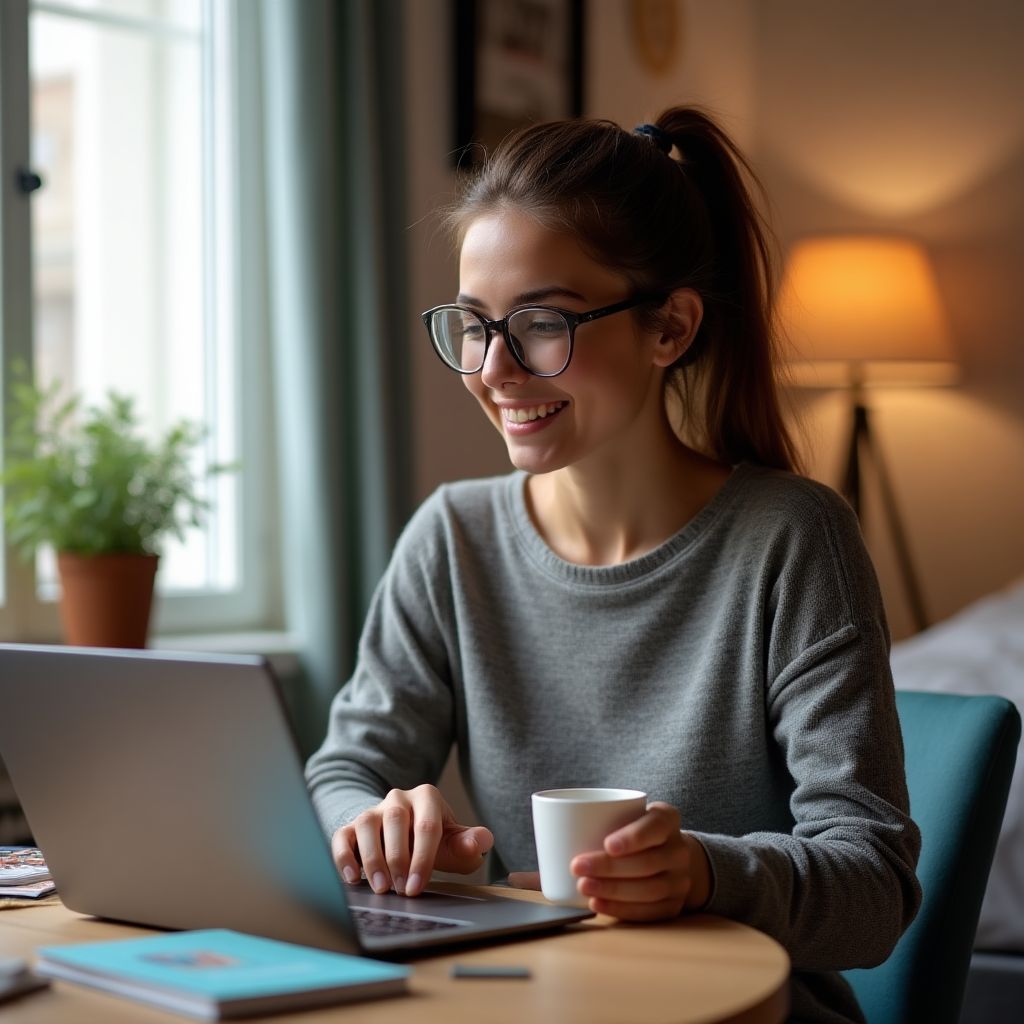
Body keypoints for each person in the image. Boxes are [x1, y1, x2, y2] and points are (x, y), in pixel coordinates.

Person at [305, 107, 921, 1023]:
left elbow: (873, 887)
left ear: (669, 328)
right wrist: (370, 825)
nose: (494, 370)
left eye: (541, 323)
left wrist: (706, 871)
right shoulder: (451, 537)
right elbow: (345, 768)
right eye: (474, 326)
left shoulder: (792, 540)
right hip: (538, 1001)